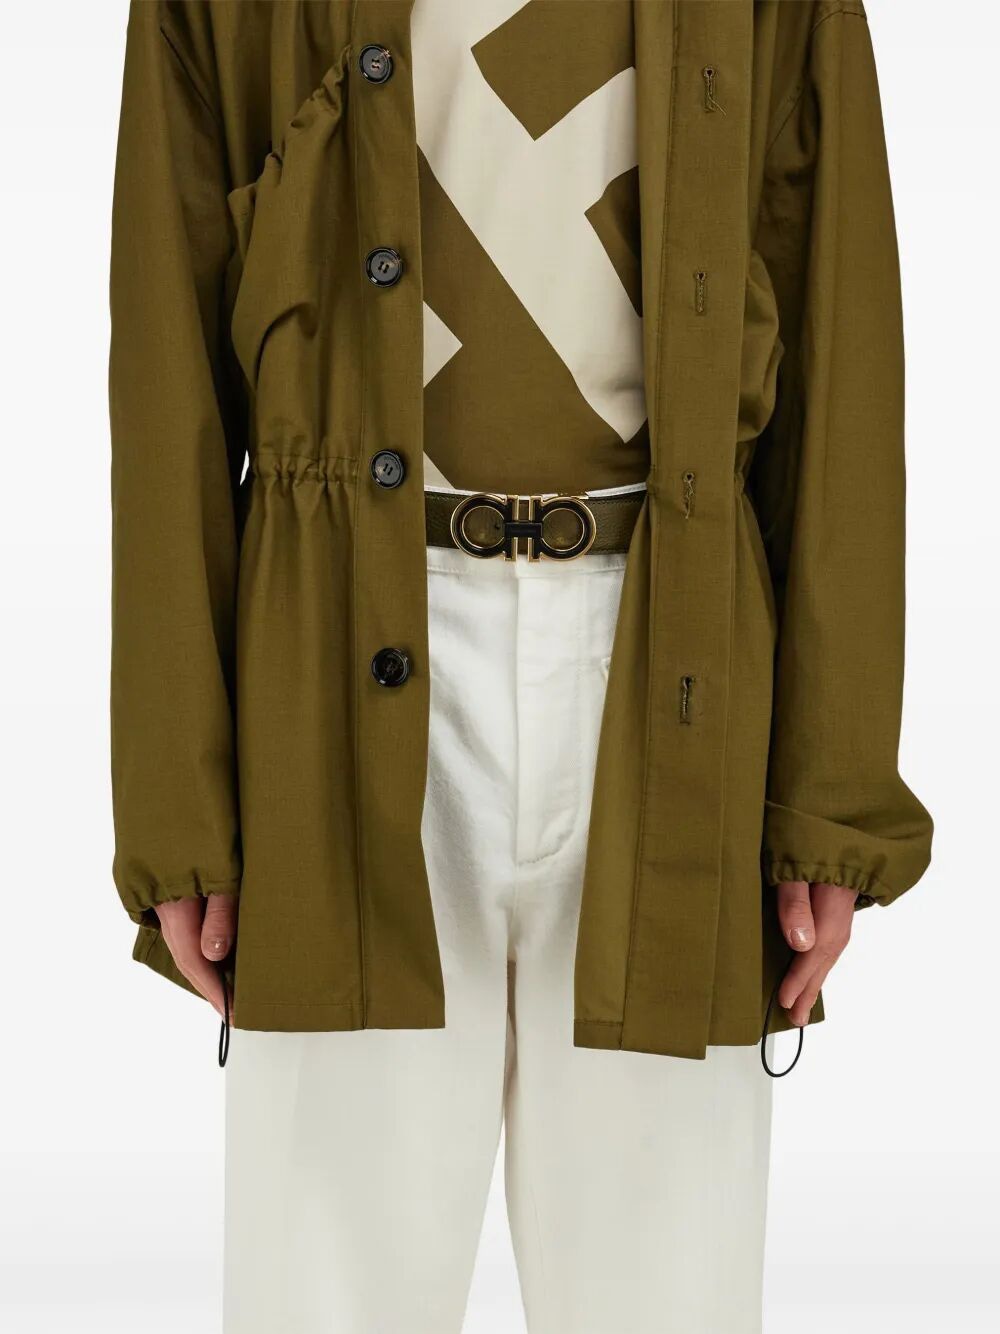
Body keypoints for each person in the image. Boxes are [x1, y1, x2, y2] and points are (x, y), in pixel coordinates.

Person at [108, 2, 932, 1331]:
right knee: (325, 1295)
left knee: (667, 1296)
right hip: (332, 666)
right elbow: (166, 383)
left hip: (671, 665)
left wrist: (829, 794)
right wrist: (178, 809)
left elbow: (842, 346)